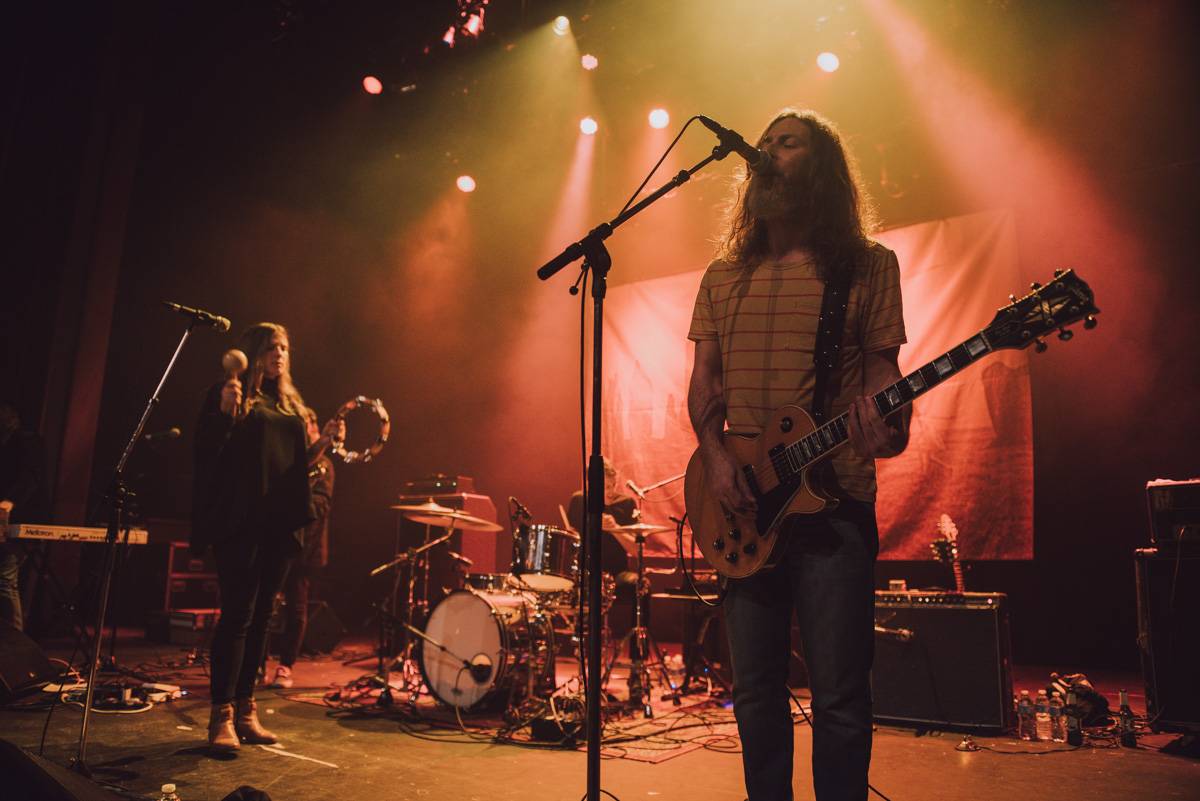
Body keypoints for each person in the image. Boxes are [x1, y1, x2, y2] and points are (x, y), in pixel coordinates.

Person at [687, 110, 909, 801]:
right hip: (743, 506)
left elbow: (881, 374)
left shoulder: (867, 267)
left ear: (822, 169)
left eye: (789, 142)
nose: (768, 152)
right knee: (754, 693)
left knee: (840, 698)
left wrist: (890, 419)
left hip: (831, 503)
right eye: (767, 141)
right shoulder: (723, 276)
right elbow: (704, 389)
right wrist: (715, 458)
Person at [192, 323, 341, 751]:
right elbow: (206, 451)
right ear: (254, 351)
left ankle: (246, 710)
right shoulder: (230, 393)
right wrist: (223, 412)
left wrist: (324, 443)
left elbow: (293, 467)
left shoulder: (288, 403)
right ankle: (220, 714)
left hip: (278, 521)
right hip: (240, 521)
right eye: (272, 347)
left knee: (262, 619)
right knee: (237, 616)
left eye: (285, 348)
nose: (280, 354)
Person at [268, 407, 335, 689]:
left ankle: (285, 665)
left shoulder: (325, 466)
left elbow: (320, 504)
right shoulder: (289, 460)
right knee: (265, 606)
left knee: (297, 607)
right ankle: (257, 663)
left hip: (306, 548)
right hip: (278, 540)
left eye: (307, 424)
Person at [0, 401, 50, 631]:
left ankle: (16, 645)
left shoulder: (25, 443)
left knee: (6, 579)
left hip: (20, 522)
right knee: (6, 579)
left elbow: (31, 479)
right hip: (14, 520)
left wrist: (7, 504)